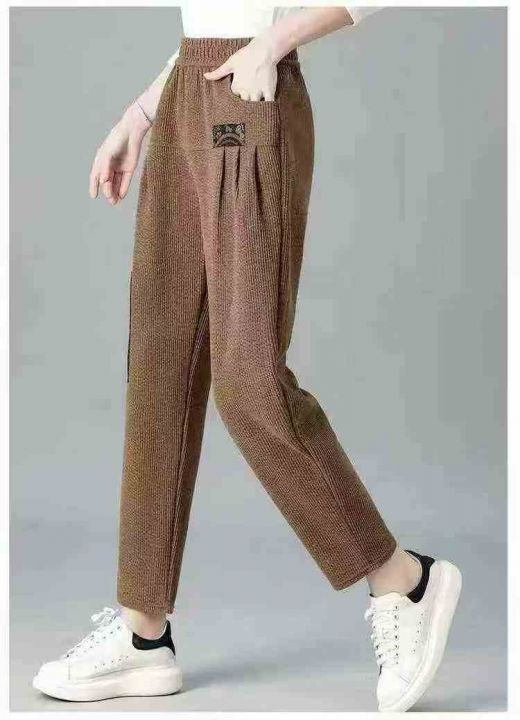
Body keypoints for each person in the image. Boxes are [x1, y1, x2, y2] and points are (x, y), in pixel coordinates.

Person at [32, 4, 462, 712]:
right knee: (160, 365)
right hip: (186, 90)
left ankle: (402, 579)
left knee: (248, 382)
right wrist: (143, 112)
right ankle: (144, 634)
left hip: (252, 93)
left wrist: (276, 42)